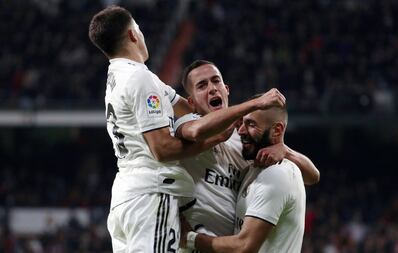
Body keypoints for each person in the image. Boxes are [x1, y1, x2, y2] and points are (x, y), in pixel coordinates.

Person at [88, 6, 285, 252]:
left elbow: (187, 108)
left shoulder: (120, 78)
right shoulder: (140, 79)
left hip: (127, 197)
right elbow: (162, 149)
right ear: (132, 35)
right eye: (139, 28)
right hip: (151, 194)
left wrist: (268, 137)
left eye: (216, 83)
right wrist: (247, 111)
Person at [175, 60, 318, 249]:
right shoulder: (186, 127)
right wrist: (256, 103)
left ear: (226, 90)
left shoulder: (245, 140)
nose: (212, 89)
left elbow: (312, 176)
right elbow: (196, 131)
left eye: (216, 81)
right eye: (202, 85)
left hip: (226, 246)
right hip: (191, 245)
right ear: (191, 102)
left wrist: (284, 150)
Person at [181, 96, 306, 253]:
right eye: (242, 123)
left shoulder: (277, 174)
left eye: (251, 124)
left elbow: (244, 247)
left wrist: (189, 239)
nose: (240, 131)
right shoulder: (253, 169)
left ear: (277, 130)